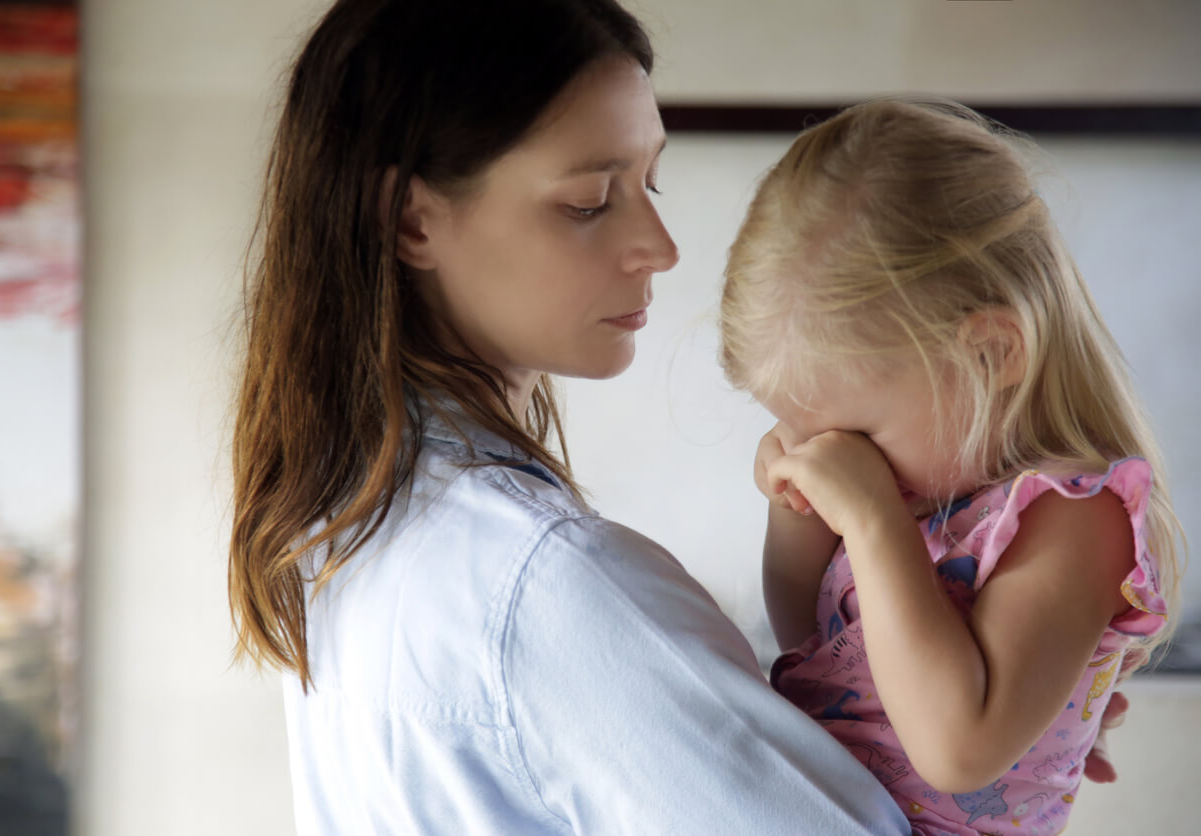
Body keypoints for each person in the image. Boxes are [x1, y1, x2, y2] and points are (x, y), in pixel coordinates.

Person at [226, 0, 915, 833]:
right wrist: (999, 770)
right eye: (590, 200)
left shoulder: (342, 529)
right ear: (412, 219)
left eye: (649, 182)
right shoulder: (548, 580)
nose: (659, 245)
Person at [718, 96, 1184, 836]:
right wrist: (795, 505)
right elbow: (804, 632)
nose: (829, 451)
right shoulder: (922, 487)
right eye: (805, 429)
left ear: (992, 354)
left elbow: (958, 752)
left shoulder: (1073, 516)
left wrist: (872, 524)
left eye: (851, 429)